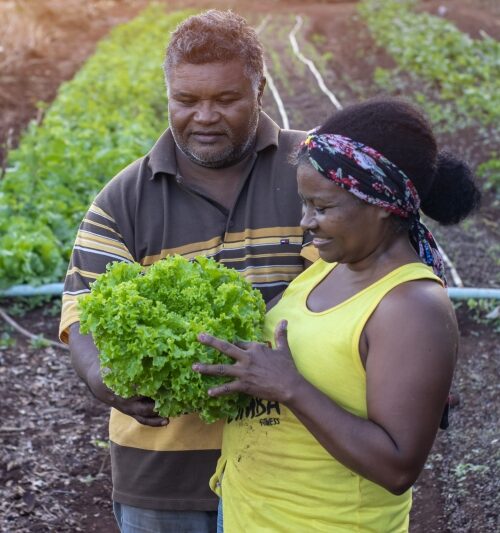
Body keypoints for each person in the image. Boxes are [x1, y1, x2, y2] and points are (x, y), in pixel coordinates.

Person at [59, 10, 315, 533]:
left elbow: (373, 279)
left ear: (259, 89)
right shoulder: (123, 200)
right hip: (163, 474)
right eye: (186, 100)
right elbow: (84, 312)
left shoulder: (311, 173)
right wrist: (102, 377)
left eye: (225, 100)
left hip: (290, 461)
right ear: (168, 94)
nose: (204, 117)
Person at [193, 97, 481, 532]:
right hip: (248, 514)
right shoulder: (327, 269)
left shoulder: (411, 306)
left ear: (382, 203)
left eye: (322, 207)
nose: (306, 221)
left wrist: (290, 387)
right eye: (304, 203)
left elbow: (398, 468)